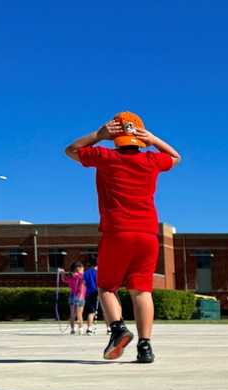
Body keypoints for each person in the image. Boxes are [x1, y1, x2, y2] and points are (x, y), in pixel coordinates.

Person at [64, 111, 180, 363]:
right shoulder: (151, 160)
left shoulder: (105, 156)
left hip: (117, 231)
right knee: (142, 291)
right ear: (140, 137)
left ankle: (118, 329)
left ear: (115, 137)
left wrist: (99, 135)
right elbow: (175, 157)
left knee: (106, 287)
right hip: (148, 233)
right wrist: (153, 139)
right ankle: (145, 346)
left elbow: (71, 150)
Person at [60, 262, 87, 334]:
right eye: (82, 270)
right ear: (78, 269)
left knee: (72, 314)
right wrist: (81, 295)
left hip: (72, 296)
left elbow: (64, 279)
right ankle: (81, 328)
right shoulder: (80, 277)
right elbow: (82, 284)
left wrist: (62, 274)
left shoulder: (70, 276)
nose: (83, 271)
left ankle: (73, 329)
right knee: (79, 314)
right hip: (79, 296)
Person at [82, 256, 100, 335]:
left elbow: (83, 284)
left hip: (90, 294)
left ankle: (89, 328)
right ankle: (109, 328)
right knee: (106, 312)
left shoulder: (86, 273)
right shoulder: (101, 272)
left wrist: (82, 294)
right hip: (99, 293)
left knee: (91, 311)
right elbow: (100, 284)